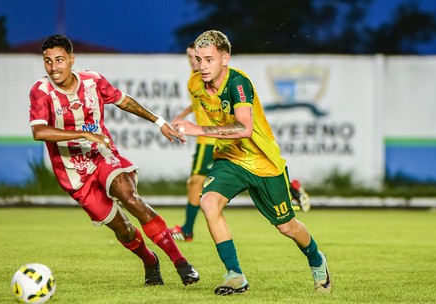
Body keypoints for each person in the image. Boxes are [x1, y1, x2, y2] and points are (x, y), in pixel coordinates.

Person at [28, 34, 199, 287]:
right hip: (74, 174)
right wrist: (83, 133)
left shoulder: (92, 80)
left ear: (72, 59)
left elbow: (124, 101)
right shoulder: (40, 92)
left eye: (60, 60)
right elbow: (39, 132)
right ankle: (150, 261)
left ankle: (181, 263)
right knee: (123, 229)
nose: (54, 67)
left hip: (103, 156)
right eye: (48, 61)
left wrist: (159, 121)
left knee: (131, 198)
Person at [172, 30, 331, 295]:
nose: (202, 66)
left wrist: (196, 129)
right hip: (229, 158)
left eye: (209, 59)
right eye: (198, 59)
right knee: (208, 202)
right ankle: (235, 275)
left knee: (286, 226)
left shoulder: (238, 83)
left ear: (225, 58)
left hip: (263, 163)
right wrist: (175, 127)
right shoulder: (195, 84)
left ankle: (317, 260)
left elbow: (244, 128)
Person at [169, 42, 216, 242]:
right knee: (194, 183)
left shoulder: (210, 77)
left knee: (196, 183)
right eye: (189, 57)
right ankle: (187, 229)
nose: (193, 61)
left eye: (196, 57)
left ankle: (187, 230)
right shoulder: (194, 76)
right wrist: (183, 114)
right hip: (205, 139)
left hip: (212, 139)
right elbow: (198, 102)